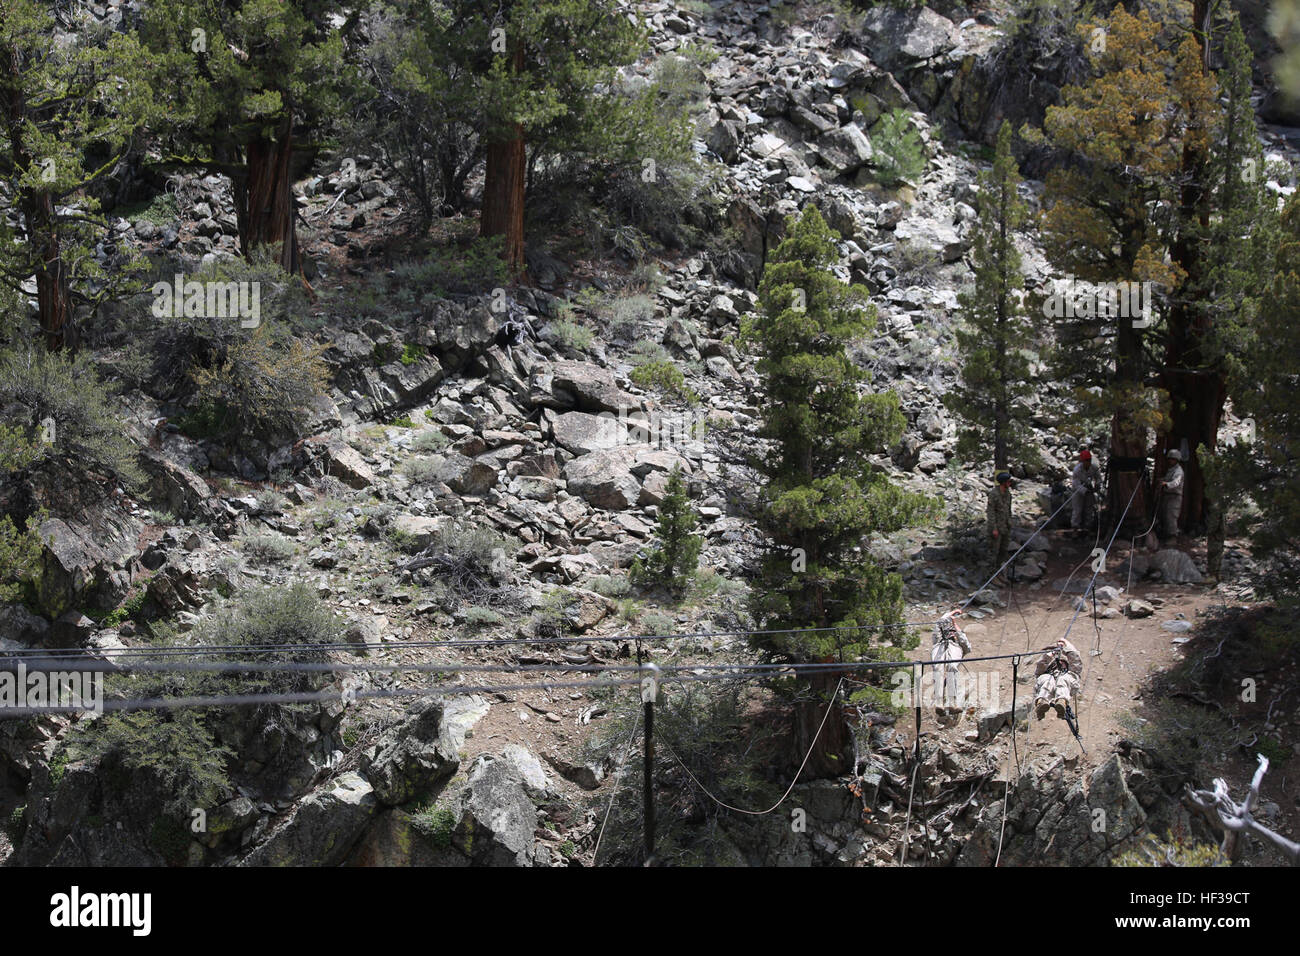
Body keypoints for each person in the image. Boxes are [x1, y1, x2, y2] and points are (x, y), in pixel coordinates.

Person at [931, 607, 972, 715]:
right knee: (937, 668)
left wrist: (956, 627)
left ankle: (952, 703)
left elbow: (967, 647)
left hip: (954, 647)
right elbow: (938, 624)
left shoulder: (959, 638)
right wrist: (950, 613)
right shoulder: (938, 638)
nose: (950, 632)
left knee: (952, 668)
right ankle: (938, 702)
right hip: (940, 647)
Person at [1033, 637, 1083, 720]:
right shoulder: (1046, 672)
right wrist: (1049, 655)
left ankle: (1061, 702)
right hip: (1048, 683)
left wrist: (1067, 647)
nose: (1059, 664)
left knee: (1063, 679)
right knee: (1047, 679)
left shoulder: (1070, 672)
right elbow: (1040, 667)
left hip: (1067, 686)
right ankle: (1042, 702)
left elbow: (1075, 660)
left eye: (1062, 663)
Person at [987, 470, 1013, 585]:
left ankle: (998, 573)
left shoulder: (1008, 494)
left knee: (1003, 551)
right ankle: (991, 576)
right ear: (1003, 482)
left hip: (1005, 527)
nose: (1010, 483)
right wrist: (994, 528)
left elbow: (1009, 510)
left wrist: (1010, 523)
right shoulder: (994, 494)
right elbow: (990, 512)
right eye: (1008, 482)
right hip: (997, 527)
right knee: (994, 552)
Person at [1070, 449, 1101, 536]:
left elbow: (1098, 477)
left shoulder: (1094, 467)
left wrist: (1097, 485)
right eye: (1086, 460)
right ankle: (1075, 529)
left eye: (1089, 460)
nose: (1088, 462)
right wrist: (1086, 491)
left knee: (1089, 509)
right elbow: (1076, 484)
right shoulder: (1077, 470)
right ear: (1082, 461)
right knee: (1077, 509)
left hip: (1089, 488)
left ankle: (1087, 527)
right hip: (1078, 490)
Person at [1159, 449, 1185, 543]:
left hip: (1175, 497)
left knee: (1171, 516)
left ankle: (1172, 537)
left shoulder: (1178, 471)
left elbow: (1176, 482)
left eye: (1173, 459)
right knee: (1165, 516)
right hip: (1167, 496)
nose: (1171, 461)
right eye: (1170, 459)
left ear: (1177, 460)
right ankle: (1165, 535)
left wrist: (1166, 484)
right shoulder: (1170, 470)